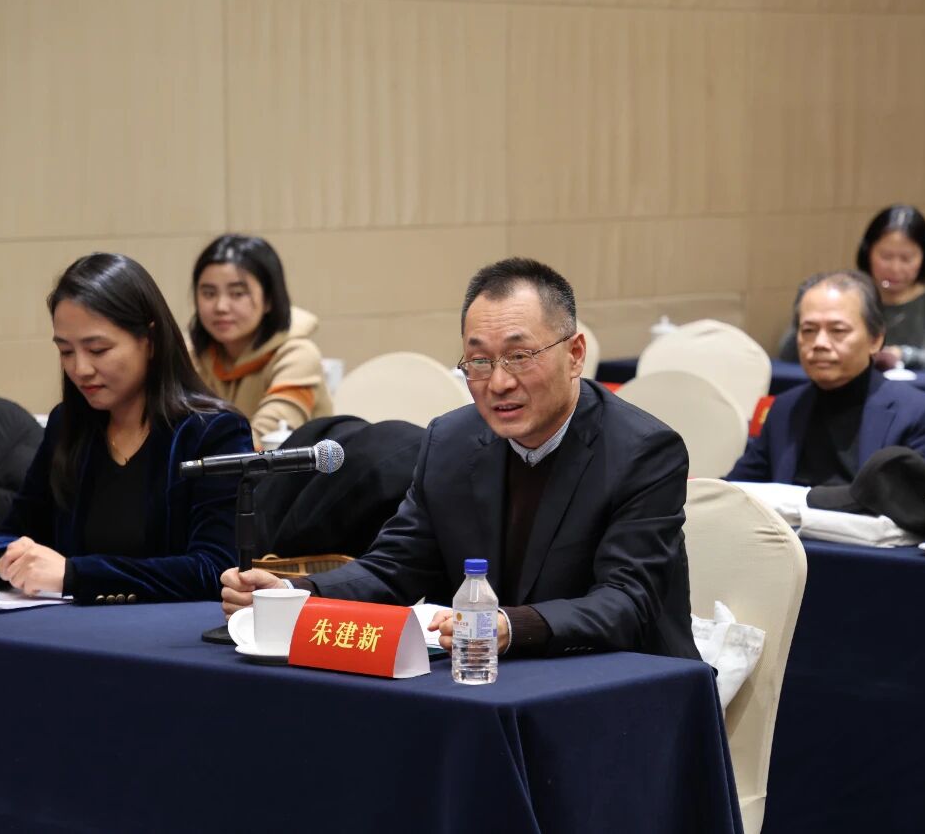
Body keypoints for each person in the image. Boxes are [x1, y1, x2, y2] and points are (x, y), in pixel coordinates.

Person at [221, 257, 700, 660]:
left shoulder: (642, 451)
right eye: (479, 361)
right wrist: (295, 595)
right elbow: (394, 568)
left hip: (625, 682)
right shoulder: (451, 441)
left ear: (574, 355)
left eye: (520, 356)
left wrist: (511, 625)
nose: (499, 383)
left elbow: (626, 602)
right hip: (489, 675)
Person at [0, 254, 253, 603]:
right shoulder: (67, 424)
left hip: (171, 629)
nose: (80, 369)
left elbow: (215, 568)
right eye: (66, 351)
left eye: (98, 349)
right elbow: (11, 532)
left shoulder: (213, 432)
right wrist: (7, 561)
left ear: (150, 340)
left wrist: (75, 575)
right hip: (68, 626)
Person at [729, 271, 925, 489]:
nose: (820, 343)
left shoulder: (919, 415)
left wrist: (816, 501)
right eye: (808, 330)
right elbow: (739, 489)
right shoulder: (784, 409)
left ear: (875, 340)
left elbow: (924, 505)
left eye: (837, 330)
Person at [779, 205, 925, 370]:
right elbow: (788, 353)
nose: (895, 268)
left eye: (906, 259)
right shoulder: (846, 295)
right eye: (886, 257)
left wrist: (903, 355)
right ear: (868, 252)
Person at [190, 234, 332, 443]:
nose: (221, 307)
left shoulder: (298, 355)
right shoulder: (190, 355)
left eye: (237, 293)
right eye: (209, 294)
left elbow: (264, 442)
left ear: (269, 299)